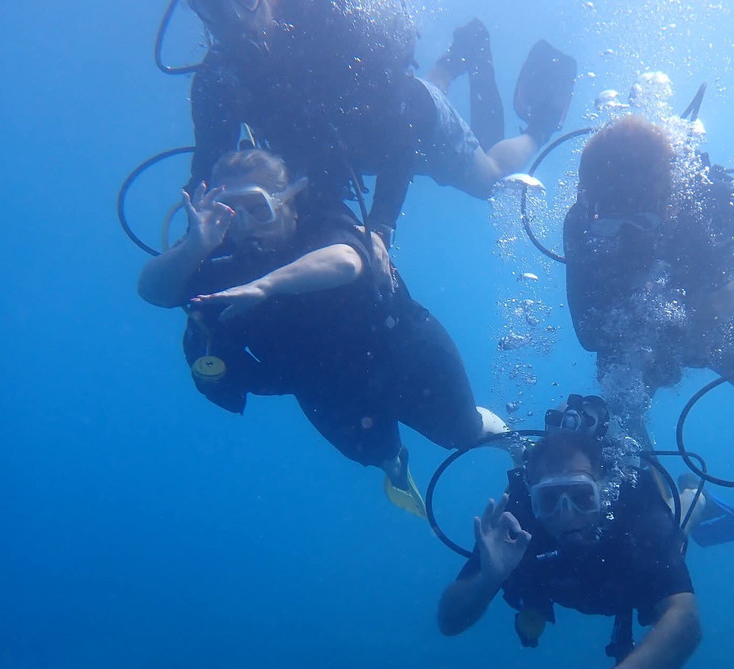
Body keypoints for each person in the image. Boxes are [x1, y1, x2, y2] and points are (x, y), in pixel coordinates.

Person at [137, 148, 505, 516]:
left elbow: (347, 260)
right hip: (322, 382)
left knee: (464, 433)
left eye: (256, 207)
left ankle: (517, 446)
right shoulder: (219, 255)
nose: (245, 225)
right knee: (377, 454)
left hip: (400, 349)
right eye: (229, 214)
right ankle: (395, 463)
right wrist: (194, 247)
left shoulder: (322, 220)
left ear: (288, 201)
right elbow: (153, 292)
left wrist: (267, 285)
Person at [186, 0, 576, 243]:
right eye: (211, 6)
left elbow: (397, 123)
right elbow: (209, 165)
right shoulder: (217, 82)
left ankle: (540, 124)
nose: (232, 18)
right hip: (352, 138)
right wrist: (194, 239)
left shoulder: (330, 22)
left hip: (414, 121)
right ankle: (459, 55)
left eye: (243, 1)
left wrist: (383, 221)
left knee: (490, 179)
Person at [437, 397, 701, 669]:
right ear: (531, 495)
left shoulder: (632, 506)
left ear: (602, 488)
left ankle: (693, 493)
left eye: (581, 496)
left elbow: (685, 620)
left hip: (634, 555)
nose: (566, 515)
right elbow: (448, 621)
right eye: (548, 500)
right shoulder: (515, 520)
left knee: (677, 521)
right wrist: (488, 578)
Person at [563, 115, 734, 413]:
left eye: (644, 221)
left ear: (669, 198)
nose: (631, 237)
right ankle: (629, 457)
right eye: (610, 224)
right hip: (646, 339)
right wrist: (659, 330)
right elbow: (589, 334)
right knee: (617, 407)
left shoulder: (711, 195)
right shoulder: (581, 223)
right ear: (589, 200)